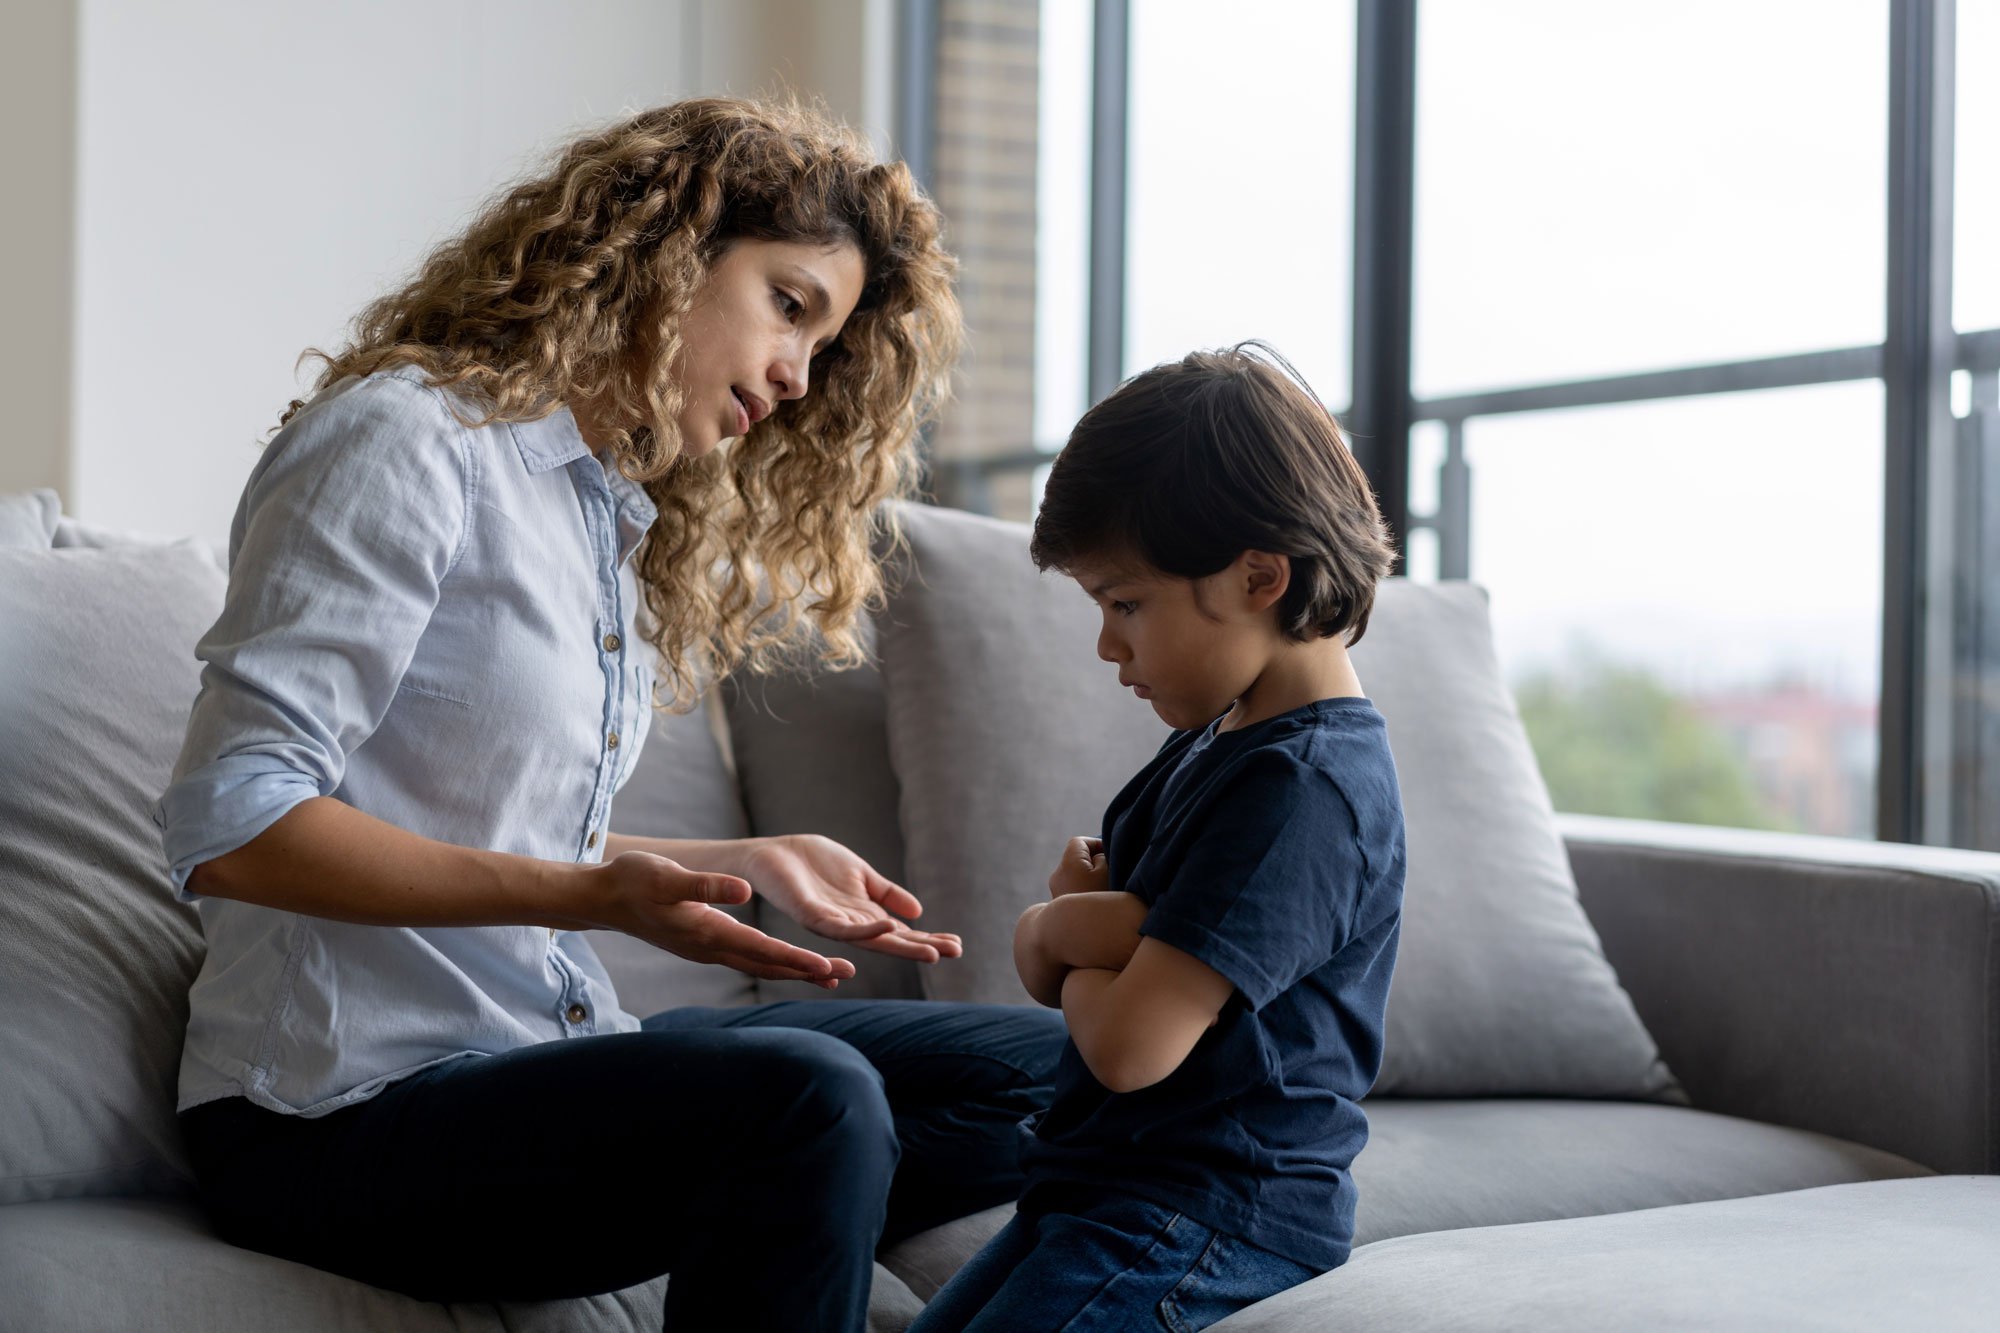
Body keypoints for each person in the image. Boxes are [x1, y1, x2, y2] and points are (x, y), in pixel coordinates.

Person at [156, 96, 1064, 1333]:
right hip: (329, 1115)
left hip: (533, 1059)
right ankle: (793, 1188)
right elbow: (235, 821)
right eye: (788, 304)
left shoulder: (608, 517)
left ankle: (789, 1208)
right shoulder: (405, 442)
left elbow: (486, 823)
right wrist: (596, 896)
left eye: (824, 343)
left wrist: (724, 863)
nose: (800, 376)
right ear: (664, 253)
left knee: (1056, 1078)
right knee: (812, 1097)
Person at [907, 344, 1407, 1332]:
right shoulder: (1217, 741)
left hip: (1208, 1216)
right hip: (1106, 1192)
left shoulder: (1302, 792)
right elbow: (1055, 971)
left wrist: (1064, 930)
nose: (1107, 644)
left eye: (1124, 603)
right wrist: (1087, 934)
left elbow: (1132, 1045)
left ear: (1258, 575)